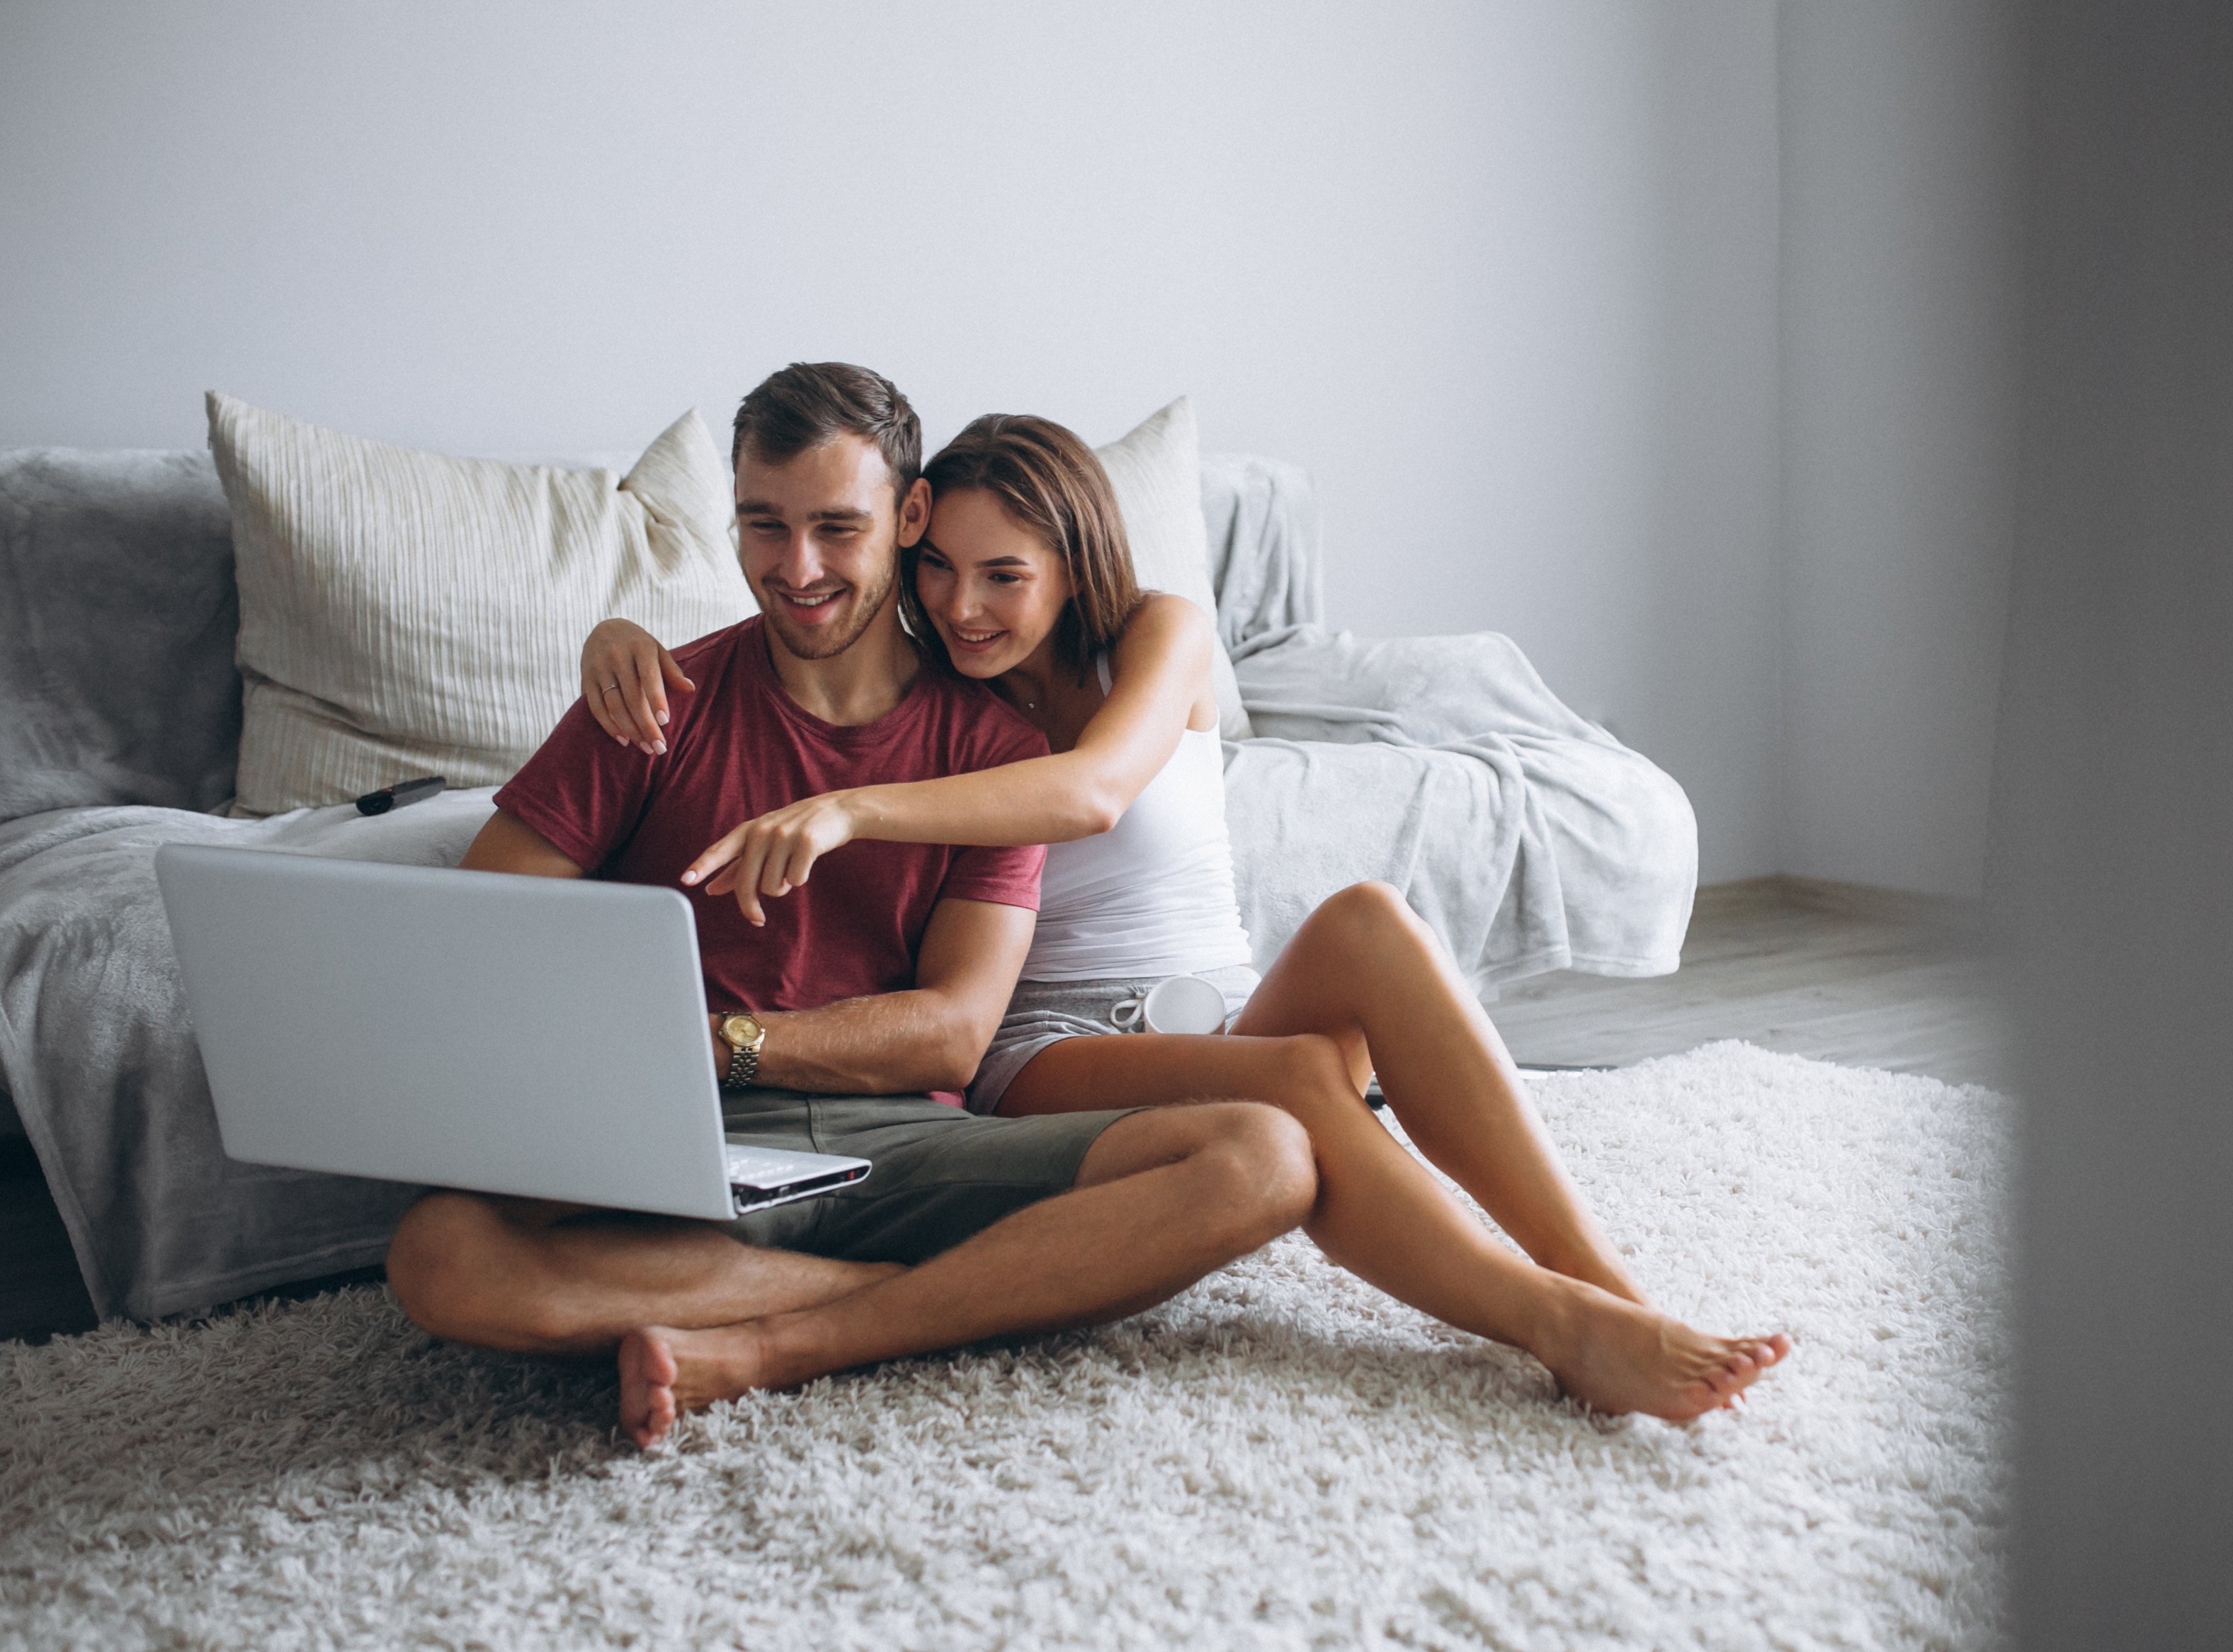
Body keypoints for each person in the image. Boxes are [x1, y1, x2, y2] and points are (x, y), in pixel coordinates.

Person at [578, 401, 1790, 1427]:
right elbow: (788, 633)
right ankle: (1556, 1325)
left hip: (1222, 1004)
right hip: (1043, 1050)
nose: (964, 606)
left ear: (1075, 564)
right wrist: (616, 634)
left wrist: (852, 810)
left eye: (1006, 574)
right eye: (939, 568)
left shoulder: (1160, 631)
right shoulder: (936, 684)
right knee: (1301, 1079)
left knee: (1367, 922)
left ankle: (1607, 1285)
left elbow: (1096, 790)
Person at [385, 363, 1324, 1451]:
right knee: (438, 1253)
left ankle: (792, 1336)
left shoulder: (990, 747)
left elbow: (957, 1028)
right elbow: (470, 951)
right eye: (763, 527)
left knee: (1263, 1157)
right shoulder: (650, 704)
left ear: (908, 514)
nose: (799, 569)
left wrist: (724, 1043)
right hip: (678, 1138)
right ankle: (934, 1293)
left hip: (902, 1143)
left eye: (838, 527)